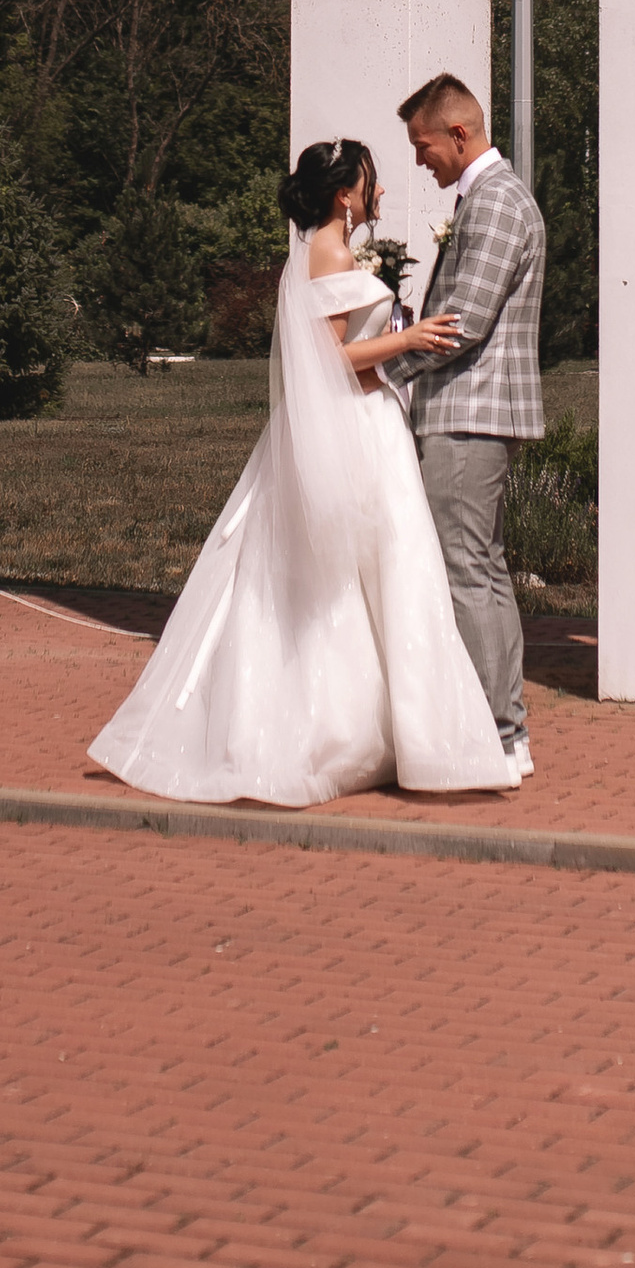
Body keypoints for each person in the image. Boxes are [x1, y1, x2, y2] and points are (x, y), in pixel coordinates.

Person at [89, 138, 518, 807]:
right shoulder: (331, 250)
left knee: (380, 575)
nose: (379, 192)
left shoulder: (331, 251)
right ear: (344, 193)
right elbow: (332, 358)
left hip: (369, 423)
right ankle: (344, 733)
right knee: (363, 573)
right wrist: (408, 336)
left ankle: (386, 731)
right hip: (352, 424)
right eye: (371, 181)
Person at [390, 73, 544, 782]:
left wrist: (389, 371)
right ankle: (503, 728)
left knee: (466, 571)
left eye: (424, 146)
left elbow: (464, 321)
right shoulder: (487, 198)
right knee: (481, 567)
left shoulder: (497, 200)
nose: (421, 161)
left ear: (459, 134)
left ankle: (499, 732)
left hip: (468, 412)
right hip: (469, 410)